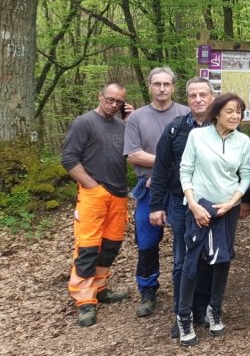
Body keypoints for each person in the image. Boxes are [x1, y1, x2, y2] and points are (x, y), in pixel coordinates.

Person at [176, 93, 250, 346]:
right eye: (230, 111)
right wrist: (193, 204)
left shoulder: (242, 141)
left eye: (239, 112)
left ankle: (215, 308)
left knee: (222, 259)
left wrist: (233, 202)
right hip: (198, 207)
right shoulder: (197, 136)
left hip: (227, 209)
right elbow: (186, 170)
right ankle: (184, 315)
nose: (235, 116)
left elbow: (246, 174)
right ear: (217, 113)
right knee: (192, 262)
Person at [149, 77, 218, 338]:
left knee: (208, 258)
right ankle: (182, 311)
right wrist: (156, 205)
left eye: (203, 95)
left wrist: (244, 199)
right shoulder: (175, 129)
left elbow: (237, 165)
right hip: (181, 204)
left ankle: (202, 308)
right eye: (193, 96)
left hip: (213, 205)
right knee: (181, 261)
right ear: (187, 99)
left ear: (212, 97)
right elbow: (160, 169)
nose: (198, 100)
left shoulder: (222, 126)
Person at [61, 83, 134, 327]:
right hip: (93, 194)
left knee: (111, 245)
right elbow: (69, 158)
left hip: (119, 194)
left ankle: (100, 288)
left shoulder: (122, 126)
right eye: (110, 99)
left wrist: (131, 121)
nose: (113, 105)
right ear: (100, 96)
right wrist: (91, 185)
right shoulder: (84, 123)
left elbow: (134, 152)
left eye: (118, 102)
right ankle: (84, 300)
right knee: (88, 247)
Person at [123, 67, 190, 318]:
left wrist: (164, 171)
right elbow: (134, 154)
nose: (162, 88)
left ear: (173, 86)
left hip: (182, 187)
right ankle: (148, 289)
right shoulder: (137, 118)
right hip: (148, 188)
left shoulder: (186, 114)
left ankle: (186, 288)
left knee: (186, 238)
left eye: (166, 84)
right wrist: (164, 166)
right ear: (150, 86)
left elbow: (195, 152)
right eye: (157, 84)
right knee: (147, 241)